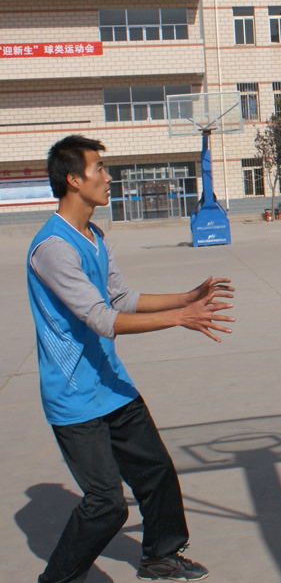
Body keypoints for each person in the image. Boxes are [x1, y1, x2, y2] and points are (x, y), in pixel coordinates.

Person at [27, 135, 236, 582]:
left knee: (156, 471)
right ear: (73, 179)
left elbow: (120, 297)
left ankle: (160, 555)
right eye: (99, 168)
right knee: (106, 504)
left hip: (110, 384)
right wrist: (180, 318)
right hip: (75, 397)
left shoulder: (94, 236)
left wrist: (186, 297)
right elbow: (102, 318)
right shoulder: (54, 248)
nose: (108, 177)